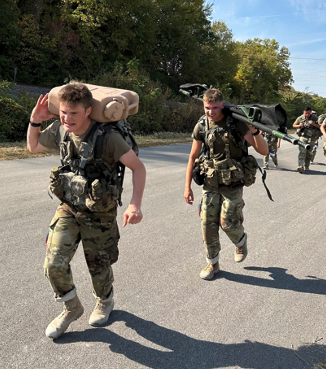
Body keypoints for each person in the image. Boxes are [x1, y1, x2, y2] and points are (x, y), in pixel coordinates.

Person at [27, 82, 146, 339]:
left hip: (99, 213)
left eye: (74, 113)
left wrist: (135, 204)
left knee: (99, 267)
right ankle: (71, 308)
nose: (67, 119)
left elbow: (138, 168)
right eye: (63, 112)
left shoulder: (108, 138)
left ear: (88, 111)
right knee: (54, 264)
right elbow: (33, 147)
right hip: (69, 208)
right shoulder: (61, 129)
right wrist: (35, 121)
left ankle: (105, 300)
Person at [183, 89, 268, 280]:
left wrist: (254, 130)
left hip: (233, 183)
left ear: (222, 105)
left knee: (228, 223)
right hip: (211, 182)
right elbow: (192, 156)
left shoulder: (237, 122)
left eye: (214, 107)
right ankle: (212, 264)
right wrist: (187, 186)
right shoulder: (202, 125)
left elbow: (263, 150)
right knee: (207, 225)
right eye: (207, 107)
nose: (210, 111)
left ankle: (240, 240)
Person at [292, 107, 320, 173]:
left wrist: (314, 124)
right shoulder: (300, 118)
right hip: (303, 137)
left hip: (312, 138)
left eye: (308, 113)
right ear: (303, 112)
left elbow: (321, 126)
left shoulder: (315, 118)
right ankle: (300, 166)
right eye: (305, 113)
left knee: (309, 153)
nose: (307, 114)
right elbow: (293, 125)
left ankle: (307, 166)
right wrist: (299, 125)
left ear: (311, 112)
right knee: (302, 151)